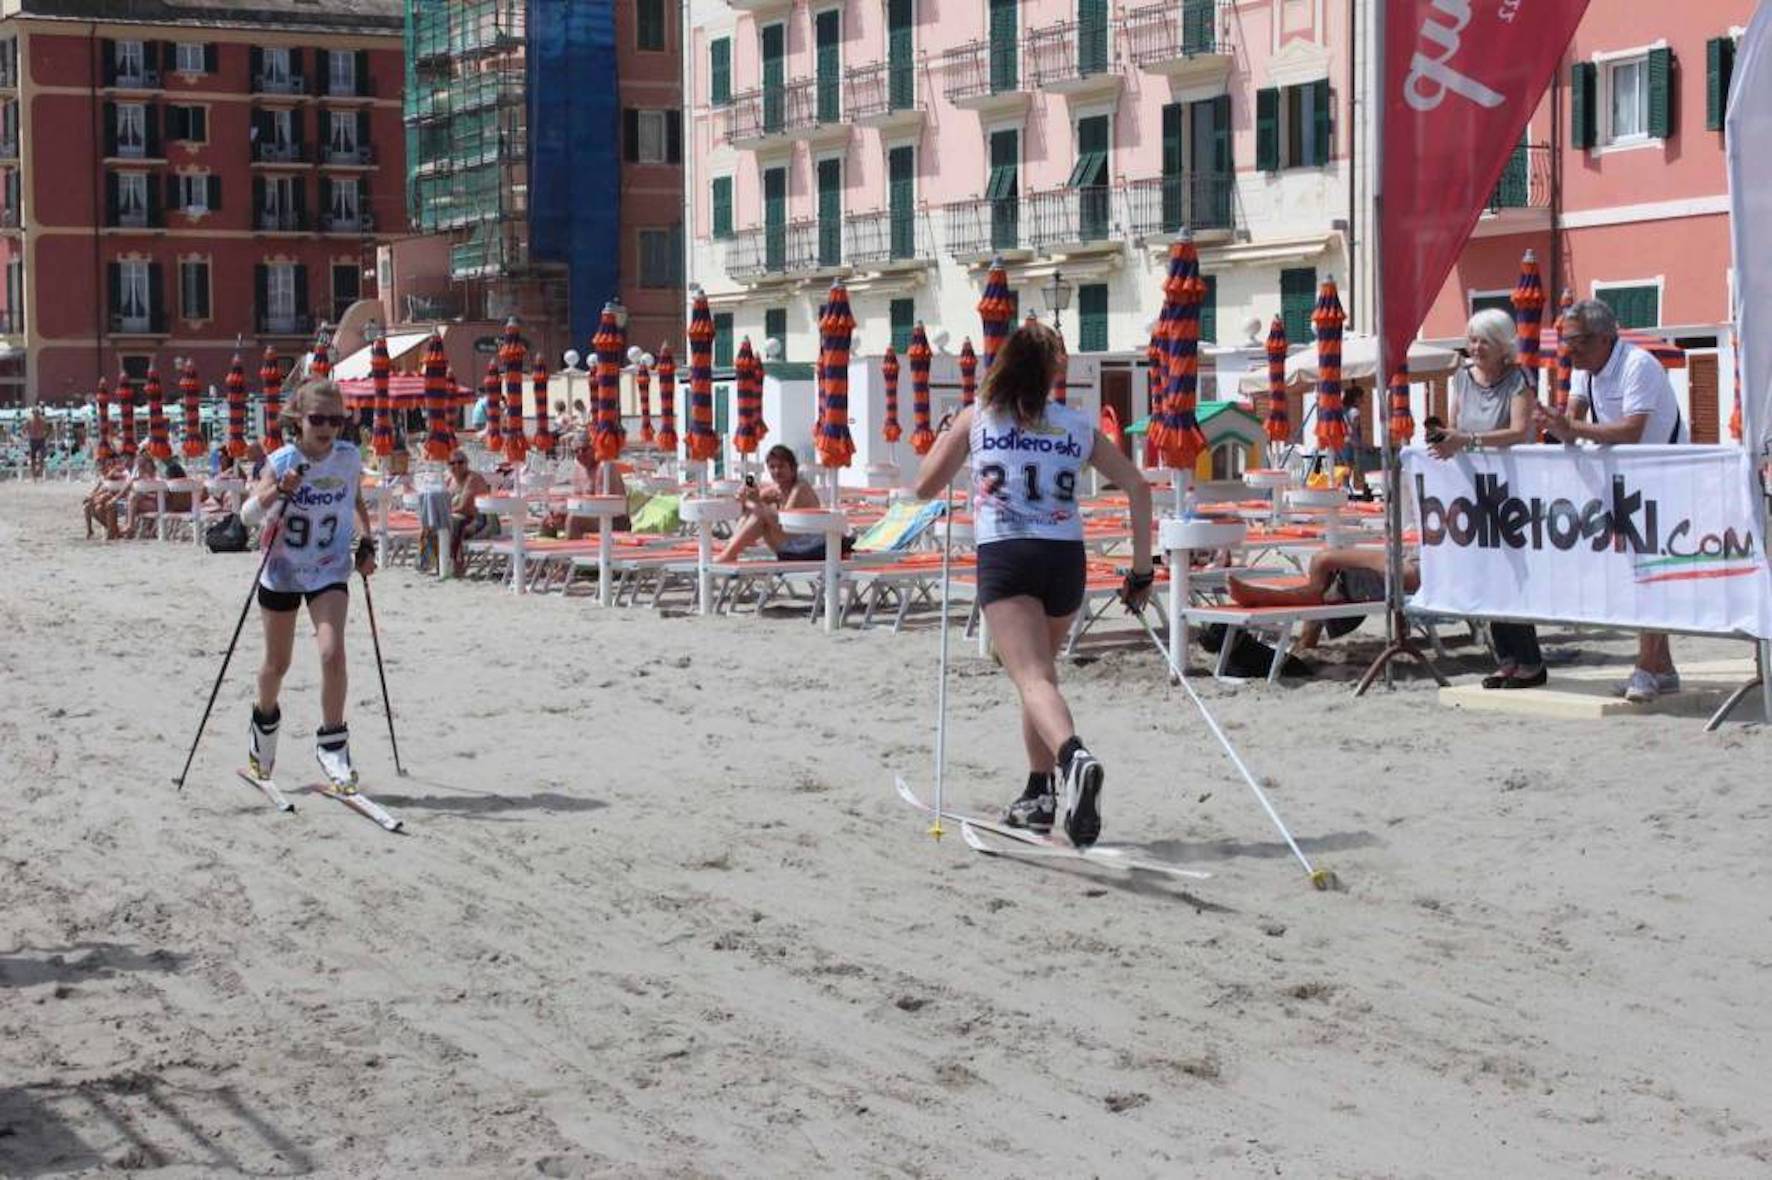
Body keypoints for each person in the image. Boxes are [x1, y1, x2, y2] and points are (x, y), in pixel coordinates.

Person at [914, 322, 1153, 849]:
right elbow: (1137, 486)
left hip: (1007, 554)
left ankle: (1073, 758)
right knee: (1040, 675)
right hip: (1064, 557)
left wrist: (948, 432)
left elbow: (923, 485)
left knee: (1031, 681)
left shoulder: (979, 419)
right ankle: (1038, 794)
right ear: (1053, 373)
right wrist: (1141, 571)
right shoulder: (1076, 425)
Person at [1534, 299, 1682, 704]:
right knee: (1638, 575)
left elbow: (1632, 431)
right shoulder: (1586, 371)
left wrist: (1570, 426)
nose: (1568, 350)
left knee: (1651, 576)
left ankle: (1647, 668)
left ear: (1604, 338)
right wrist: (1553, 425)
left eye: (1576, 341)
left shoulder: (1639, 365)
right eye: (1565, 341)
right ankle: (1663, 667)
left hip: (1662, 482)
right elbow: (1572, 424)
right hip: (1623, 485)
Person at [244, 379, 377, 789]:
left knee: (332, 653)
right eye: (318, 419)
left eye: (336, 420)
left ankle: (333, 747)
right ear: (297, 420)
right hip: (282, 571)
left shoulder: (348, 457)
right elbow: (248, 515)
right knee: (276, 665)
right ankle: (263, 729)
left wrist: (367, 541)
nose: (327, 428)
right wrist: (278, 493)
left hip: (328, 568)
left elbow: (353, 504)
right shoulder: (282, 460)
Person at [1431, 307, 1544, 689]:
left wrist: (1468, 441)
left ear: (1502, 347)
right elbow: (1455, 427)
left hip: (1511, 490)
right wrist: (1443, 438)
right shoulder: (1462, 377)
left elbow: (1518, 431)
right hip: (1472, 487)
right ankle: (1506, 658)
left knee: (1513, 573)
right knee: (1486, 575)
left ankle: (1530, 661)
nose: (1476, 347)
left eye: (1484, 341)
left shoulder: (1519, 379)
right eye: (1472, 339)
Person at [715, 444, 840, 562]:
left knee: (760, 514)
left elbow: (786, 523)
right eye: (772, 467)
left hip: (810, 548)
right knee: (757, 512)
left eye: (781, 466)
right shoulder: (775, 489)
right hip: (791, 545)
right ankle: (731, 549)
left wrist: (753, 502)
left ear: (793, 468)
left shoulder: (800, 488)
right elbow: (745, 506)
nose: (777, 471)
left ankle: (729, 553)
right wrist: (744, 496)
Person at [564, 440, 630, 538]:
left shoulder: (605, 467)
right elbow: (577, 498)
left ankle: (569, 551)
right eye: (576, 451)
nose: (580, 454)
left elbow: (601, 505)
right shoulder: (579, 469)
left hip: (613, 521)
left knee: (574, 520)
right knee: (548, 521)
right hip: (591, 515)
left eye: (584, 449)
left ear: (595, 448)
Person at [445, 450, 493, 576]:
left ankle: (456, 563)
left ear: (467, 463)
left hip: (482, 521)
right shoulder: (449, 480)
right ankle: (432, 559)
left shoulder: (472, 479)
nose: (456, 466)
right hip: (461, 518)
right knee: (438, 522)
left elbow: (464, 507)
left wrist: (444, 511)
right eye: (452, 463)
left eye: (460, 462)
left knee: (454, 523)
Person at [25, 407, 47, 479]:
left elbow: (47, 429)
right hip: (33, 439)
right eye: (34, 413)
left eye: (37, 413)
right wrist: (27, 436)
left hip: (41, 439)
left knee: (41, 456)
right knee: (32, 458)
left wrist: (45, 435)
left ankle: (39, 471)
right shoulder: (29, 420)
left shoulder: (42, 420)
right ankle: (33, 474)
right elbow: (24, 429)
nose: (36, 414)